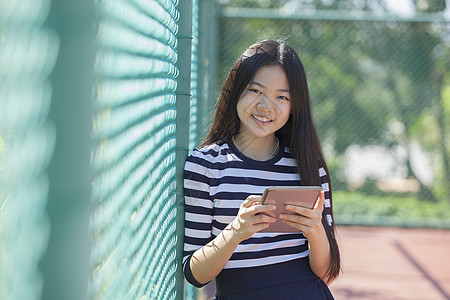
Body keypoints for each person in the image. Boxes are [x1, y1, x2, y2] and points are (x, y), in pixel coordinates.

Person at [183, 39, 341, 299]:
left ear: (293, 107)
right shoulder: (205, 165)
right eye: (256, 91)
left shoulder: (309, 167)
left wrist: (315, 231)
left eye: (282, 97)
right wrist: (236, 232)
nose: (267, 106)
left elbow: (324, 272)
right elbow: (195, 274)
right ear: (235, 91)